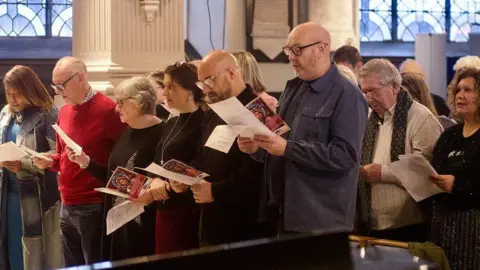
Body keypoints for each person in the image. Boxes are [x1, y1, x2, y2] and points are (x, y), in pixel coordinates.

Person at [238, 22, 368, 234]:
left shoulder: (347, 95)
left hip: (321, 219)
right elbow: (279, 141)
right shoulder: (293, 88)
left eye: (297, 50)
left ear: (322, 48)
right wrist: (257, 148)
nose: (291, 57)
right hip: (284, 212)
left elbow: (345, 156)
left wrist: (287, 148)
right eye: (288, 50)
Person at [33, 56, 126, 267]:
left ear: (81, 78)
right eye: (54, 85)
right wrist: (50, 161)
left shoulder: (108, 110)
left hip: (93, 204)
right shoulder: (64, 111)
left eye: (61, 85)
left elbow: (122, 161)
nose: (57, 91)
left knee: (94, 264)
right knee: (72, 265)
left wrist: (88, 162)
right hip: (66, 202)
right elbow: (64, 157)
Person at [171, 51, 266, 245]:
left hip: (245, 224)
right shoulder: (216, 110)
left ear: (231, 73)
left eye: (210, 81)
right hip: (211, 221)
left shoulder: (258, 110)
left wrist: (216, 191)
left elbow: (260, 172)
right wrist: (186, 176)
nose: (205, 90)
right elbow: (204, 155)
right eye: (201, 83)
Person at [67, 76, 162, 260]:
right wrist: (86, 162)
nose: (117, 108)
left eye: (121, 102)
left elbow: (158, 183)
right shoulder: (128, 131)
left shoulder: (161, 133)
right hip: (118, 221)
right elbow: (114, 177)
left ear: (138, 103)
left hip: (143, 225)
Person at [356, 58, 443, 242]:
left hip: (409, 227)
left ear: (395, 86)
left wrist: (383, 173)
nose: (369, 98)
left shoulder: (420, 118)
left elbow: (427, 172)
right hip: (370, 226)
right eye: (364, 92)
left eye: (373, 91)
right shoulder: (369, 118)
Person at [137, 61, 205, 254]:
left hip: (188, 210)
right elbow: (159, 160)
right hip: (165, 208)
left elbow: (203, 161)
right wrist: (156, 179)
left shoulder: (204, 122)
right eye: (164, 86)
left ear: (190, 90)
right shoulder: (171, 122)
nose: (164, 93)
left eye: (171, 87)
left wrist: (182, 179)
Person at [0, 65, 61, 270]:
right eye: (8, 94)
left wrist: (24, 164)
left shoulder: (48, 114)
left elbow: (57, 157)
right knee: (10, 246)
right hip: (7, 195)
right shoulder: (6, 113)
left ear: (30, 90)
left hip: (37, 197)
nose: (12, 100)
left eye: (17, 94)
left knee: (35, 251)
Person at [429, 67, 480, 269]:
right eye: (458, 90)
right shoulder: (449, 136)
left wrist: (456, 185)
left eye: (468, 90)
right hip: (444, 224)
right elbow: (435, 169)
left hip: (474, 228)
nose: (460, 95)